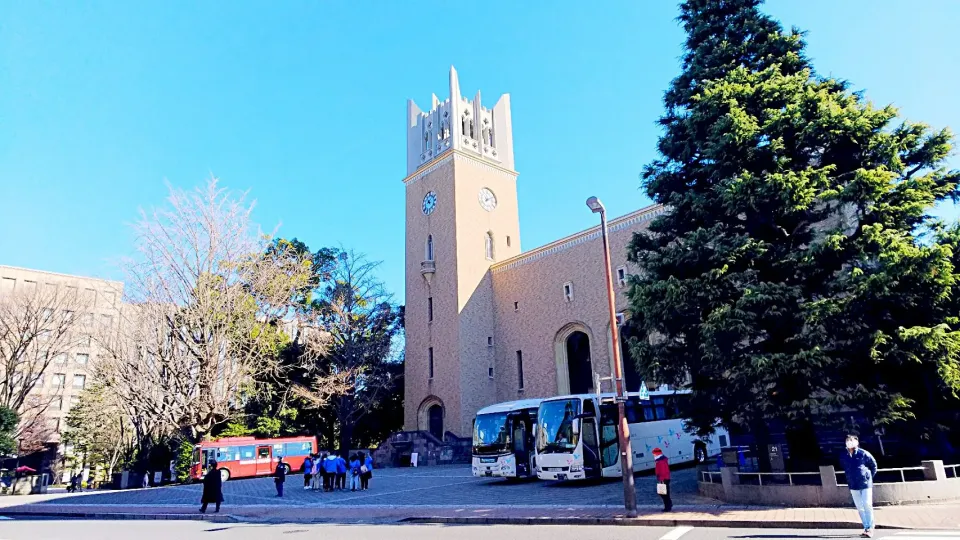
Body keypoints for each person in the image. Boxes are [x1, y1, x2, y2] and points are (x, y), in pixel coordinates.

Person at [840, 435, 878, 537]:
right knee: (860, 507)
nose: (849, 442)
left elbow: (873, 465)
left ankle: (870, 527)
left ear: (856, 442)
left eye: (851, 440)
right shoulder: (844, 455)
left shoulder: (863, 453)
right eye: (848, 440)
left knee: (867, 504)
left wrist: (868, 477)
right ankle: (866, 527)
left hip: (865, 484)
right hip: (853, 484)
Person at [653, 447, 672, 512]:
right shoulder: (661, 460)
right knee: (664, 493)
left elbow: (663, 471)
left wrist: (661, 479)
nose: (653, 455)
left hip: (663, 479)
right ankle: (668, 505)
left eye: (654, 454)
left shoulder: (660, 461)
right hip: (665, 478)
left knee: (663, 493)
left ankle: (668, 506)